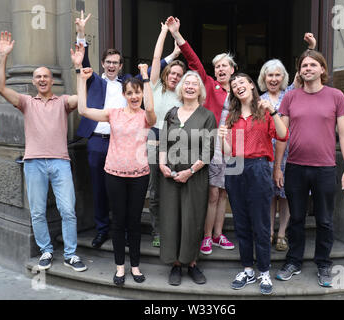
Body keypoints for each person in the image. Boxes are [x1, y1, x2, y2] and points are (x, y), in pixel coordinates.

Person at [74, 12, 180, 249]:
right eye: (108, 62)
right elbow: (83, 60)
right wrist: (81, 32)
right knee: (100, 188)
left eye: (115, 63)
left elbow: (152, 71)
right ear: (103, 64)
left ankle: (120, 228)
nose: (111, 66)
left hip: (126, 142)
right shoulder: (95, 80)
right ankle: (102, 230)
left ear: (121, 66)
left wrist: (172, 55)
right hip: (98, 141)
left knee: (123, 190)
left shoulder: (128, 84)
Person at [0, 31, 87, 272]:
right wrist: (3, 56)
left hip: (60, 162)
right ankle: (46, 250)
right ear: (34, 82)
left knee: (67, 210)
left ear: (51, 80)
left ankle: (70, 254)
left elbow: (84, 101)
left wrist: (78, 68)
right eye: (39, 77)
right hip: (34, 163)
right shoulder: (26, 102)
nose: (43, 79)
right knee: (37, 212)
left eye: (46, 76)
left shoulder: (63, 102)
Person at [274, 49, 344, 288]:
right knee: (296, 218)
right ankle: (293, 261)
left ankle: (323, 264)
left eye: (312, 65)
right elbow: (282, 136)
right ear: (299, 71)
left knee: (325, 220)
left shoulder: (336, 96)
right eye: (304, 65)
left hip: (325, 168)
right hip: (295, 168)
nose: (307, 68)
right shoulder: (290, 98)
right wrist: (278, 167)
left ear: (322, 69)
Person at [75, 58, 155, 285]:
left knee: (134, 222)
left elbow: (149, 107)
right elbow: (83, 109)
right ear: (124, 94)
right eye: (129, 92)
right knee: (118, 222)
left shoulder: (146, 116)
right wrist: (82, 80)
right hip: (114, 174)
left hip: (139, 175)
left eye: (137, 92)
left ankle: (136, 266)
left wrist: (145, 77)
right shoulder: (113, 113)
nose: (134, 96)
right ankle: (120, 267)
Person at [166, 16, 235, 255]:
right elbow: (193, 60)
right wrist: (176, 34)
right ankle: (206, 236)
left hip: (234, 146)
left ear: (233, 70)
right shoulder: (208, 84)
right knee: (213, 192)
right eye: (217, 67)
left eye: (225, 65)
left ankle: (218, 234)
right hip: (213, 144)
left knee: (225, 191)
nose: (220, 69)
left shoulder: (240, 90)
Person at [218, 73, 289, 295]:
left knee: (260, 224)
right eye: (234, 85)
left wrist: (274, 111)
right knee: (241, 223)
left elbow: (282, 135)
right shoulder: (231, 117)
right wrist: (223, 138)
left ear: (250, 85)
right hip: (235, 167)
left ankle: (264, 271)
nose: (238, 86)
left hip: (258, 167)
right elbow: (228, 153)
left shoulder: (264, 111)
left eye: (241, 82)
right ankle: (248, 269)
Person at [258, 33, 317, 251]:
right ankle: (269, 231)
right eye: (269, 75)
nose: (273, 79)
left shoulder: (291, 94)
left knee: (285, 195)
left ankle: (282, 233)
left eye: (277, 75)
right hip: (265, 154)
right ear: (264, 78)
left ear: (283, 77)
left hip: (289, 153)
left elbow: (305, 73)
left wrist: (311, 47)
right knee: (269, 195)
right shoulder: (258, 99)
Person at [159, 71, 217, 286]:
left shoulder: (207, 116)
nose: (190, 86)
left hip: (195, 176)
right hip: (170, 176)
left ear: (200, 90)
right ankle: (175, 264)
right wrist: (163, 164)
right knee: (172, 218)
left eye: (195, 84)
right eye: (187, 83)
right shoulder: (171, 114)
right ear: (181, 88)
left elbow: (208, 150)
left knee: (192, 220)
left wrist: (190, 171)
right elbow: (164, 142)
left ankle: (191, 263)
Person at [147, 22, 186, 248]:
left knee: (175, 188)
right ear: (166, 73)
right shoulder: (155, 86)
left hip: (176, 143)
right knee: (155, 190)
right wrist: (163, 31)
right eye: (172, 72)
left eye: (179, 74)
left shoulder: (184, 96)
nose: (175, 76)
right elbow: (155, 59)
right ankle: (157, 231)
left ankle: (177, 230)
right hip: (153, 140)